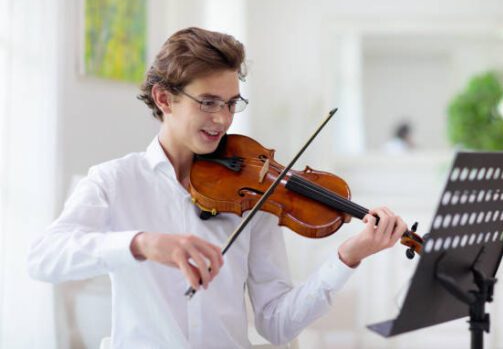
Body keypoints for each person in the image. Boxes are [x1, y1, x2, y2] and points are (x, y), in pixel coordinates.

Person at [27, 27, 408, 348]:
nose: (223, 119)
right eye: (208, 103)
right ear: (164, 99)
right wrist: (142, 243)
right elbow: (44, 258)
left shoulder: (252, 194)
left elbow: (276, 324)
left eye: (230, 103)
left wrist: (347, 257)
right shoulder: (114, 181)